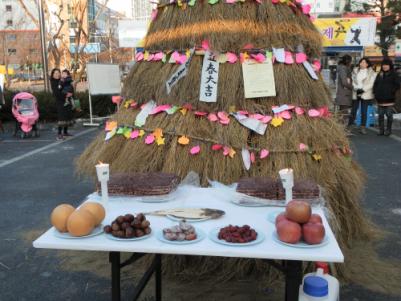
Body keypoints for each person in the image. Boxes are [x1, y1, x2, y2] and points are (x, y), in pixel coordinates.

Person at [348, 57, 377, 134]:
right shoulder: (355, 71)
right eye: (361, 62)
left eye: (364, 62)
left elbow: (371, 83)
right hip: (356, 92)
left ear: (367, 64)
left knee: (364, 112)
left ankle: (362, 128)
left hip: (365, 93)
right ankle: (349, 126)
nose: (362, 64)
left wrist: (363, 90)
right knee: (353, 110)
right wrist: (356, 89)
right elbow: (353, 81)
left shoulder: (372, 73)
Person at [373, 58, 401, 136]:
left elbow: (397, 84)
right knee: (381, 115)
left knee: (389, 115)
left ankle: (388, 130)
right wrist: (375, 92)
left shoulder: (394, 74)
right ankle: (381, 130)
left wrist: (392, 91)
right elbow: (375, 84)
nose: (385, 66)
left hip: (389, 98)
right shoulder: (380, 74)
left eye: (387, 65)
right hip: (380, 98)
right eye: (384, 65)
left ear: (390, 66)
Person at [50, 68, 74, 140]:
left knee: (67, 116)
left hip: (66, 100)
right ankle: (59, 134)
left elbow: (68, 86)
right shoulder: (53, 82)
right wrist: (66, 95)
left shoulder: (62, 80)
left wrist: (70, 93)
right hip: (60, 102)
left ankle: (65, 132)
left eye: (58, 73)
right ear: (53, 74)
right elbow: (57, 93)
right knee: (61, 118)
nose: (57, 74)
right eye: (55, 73)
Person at [335, 55, 353, 126]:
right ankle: (342, 129)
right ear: (348, 61)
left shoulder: (342, 68)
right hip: (344, 94)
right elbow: (345, 82)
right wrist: (352, 87)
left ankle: (341, 128)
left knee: (342, 111)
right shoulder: (343, 68)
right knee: (344, 112)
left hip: (343, 93)